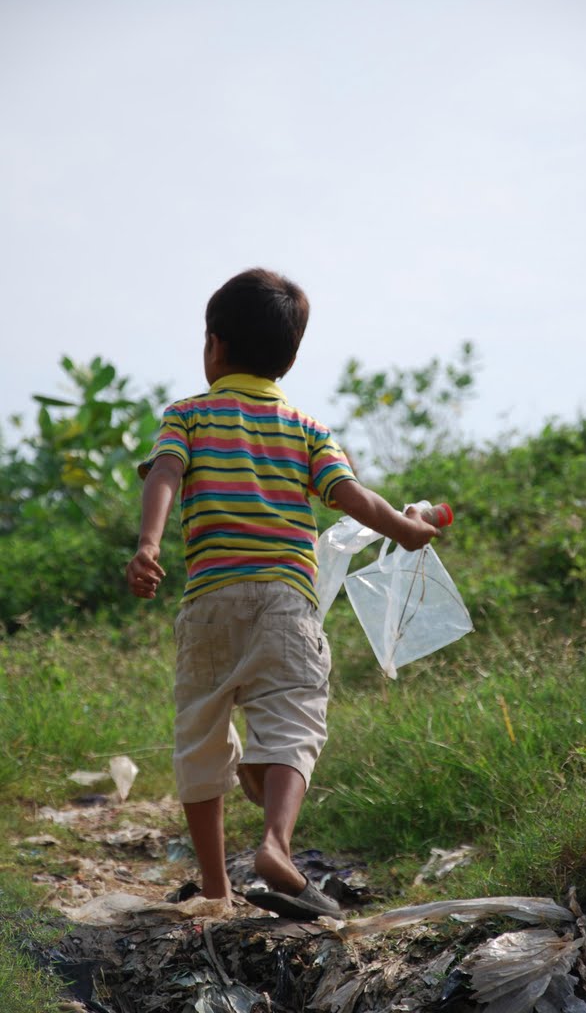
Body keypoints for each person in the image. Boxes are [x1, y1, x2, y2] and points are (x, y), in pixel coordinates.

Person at [126, 268, 437, 919]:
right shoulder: (306, 428)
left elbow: (164, 474)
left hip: (209, 602)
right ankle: (274, 845)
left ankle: (215, 890)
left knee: (200, 735)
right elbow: (355, 499)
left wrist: (150, 546)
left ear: (213, 346)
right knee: (292, 719)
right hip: (283, 601)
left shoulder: (185, 415)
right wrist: (407, 530)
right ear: (290, 358)